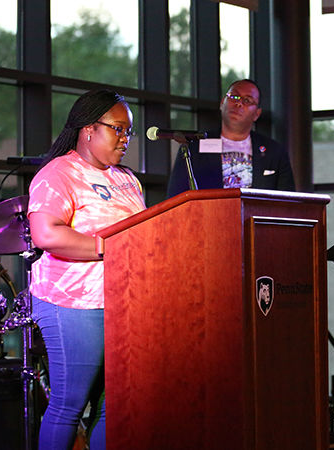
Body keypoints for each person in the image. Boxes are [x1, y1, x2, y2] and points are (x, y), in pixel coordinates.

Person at [28, 89, 146, 450]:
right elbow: (46, 233)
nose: (125, 139)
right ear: (88, 130)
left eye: (129, 132)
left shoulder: (128, 179)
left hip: (122, 305)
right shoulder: (59, 173)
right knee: (69, 405)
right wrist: (109, 247)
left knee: (115, 408)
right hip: (73, 304)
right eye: (118, 129)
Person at [166, 78, 295, 197]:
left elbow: (288, 203)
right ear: (222, 103)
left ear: (257, 114)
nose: (239, 103)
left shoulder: (274, 152)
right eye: (234, 96)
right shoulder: (195, 146)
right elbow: (175, 196)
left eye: (247, 100)